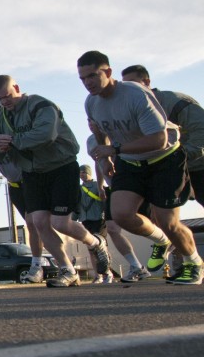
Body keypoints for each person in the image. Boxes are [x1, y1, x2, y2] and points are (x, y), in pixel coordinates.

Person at [78, 50, 202, 285]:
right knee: (122, 215)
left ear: (109, 72)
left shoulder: (135, 95)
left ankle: (194, 262)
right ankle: (161, 240)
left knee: (169, 222)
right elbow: (101, 134)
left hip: (165, 159)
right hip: (131, 162)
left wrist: (114, 150)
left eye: (92, 76)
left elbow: (159, 140)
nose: (88, 83)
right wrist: (106, 160)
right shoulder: (91, 103)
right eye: (82, 79)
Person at [0, 75, 110, 288]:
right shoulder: (0, 119)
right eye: (0, 99)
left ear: (16, 88)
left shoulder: (41, 105)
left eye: (7, 96)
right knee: (39, 222)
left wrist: (12, 142)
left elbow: (45, 135)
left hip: (60, 167)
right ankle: (67, 270)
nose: (5, 102)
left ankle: (96, 242)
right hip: (32, 172)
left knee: (60, 222)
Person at [0, 105, 45, 283]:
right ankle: (40, 264)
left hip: (32, 180)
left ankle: (37, 266)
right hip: (14, 186)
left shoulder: (18, 133)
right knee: (35, 225)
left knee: (34, 222)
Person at [121, 64, 204, 208]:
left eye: (133, 83)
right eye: (126, 86)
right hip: (173, 169)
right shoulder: (135, 110)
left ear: (146, 82)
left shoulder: (176, 102)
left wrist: (179, 156)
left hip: (198, 166)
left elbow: (201, 132)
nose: (130, 89)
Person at [86, 135, 152, 283]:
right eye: (89, 120)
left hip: (136, 182)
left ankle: (188, 259)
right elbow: (98, 163)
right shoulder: (91, 141)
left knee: (160, 224)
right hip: (113, 187)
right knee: (112, 228)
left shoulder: (122, 132)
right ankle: (136, 266)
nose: (91, 123)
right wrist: (100, 186)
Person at [77, 164, 113, 283]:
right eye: (80, 172)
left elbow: (106, 201)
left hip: (98, 219)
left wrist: (107, 215)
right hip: (85, 220)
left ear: (89, 173)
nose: (82, 174)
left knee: (102, 247)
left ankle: (108, 273)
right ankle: (98, 275)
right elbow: (76, 205)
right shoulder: (78, 189)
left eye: (84, 172)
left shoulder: (98, 185)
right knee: (91, 248)